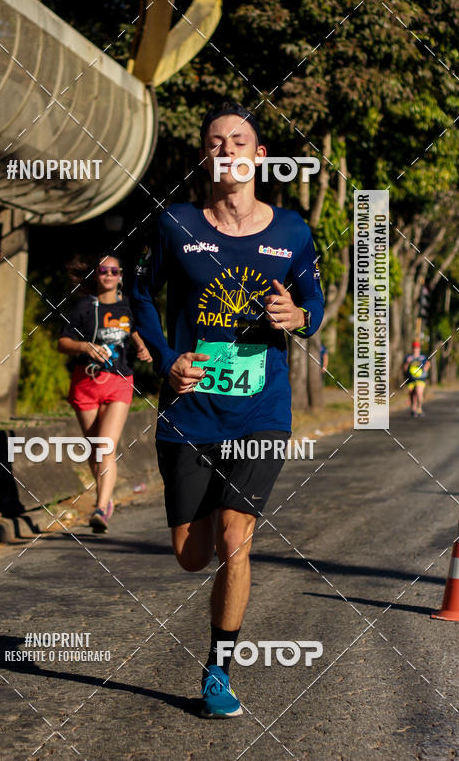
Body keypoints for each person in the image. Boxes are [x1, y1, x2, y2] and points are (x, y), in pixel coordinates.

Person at [131, 100, 324, 718]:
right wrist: (166, 359)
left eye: (238, 141)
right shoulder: (176, 224)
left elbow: (313, 300)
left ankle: (218, 670)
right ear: (205, 156)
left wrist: (299, 317)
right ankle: (211, 505)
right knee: (193, 555)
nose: (228, 151)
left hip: (261, 412)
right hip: (191, 412)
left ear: (259, 156)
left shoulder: (292, 231)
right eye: (216, 142)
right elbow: (140, 292)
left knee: (235, 539)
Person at [58, 252, 152, 532]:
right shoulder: (83, 307)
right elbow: (63, 342)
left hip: (119, 380)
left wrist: (141, 345)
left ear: (121, 276)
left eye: (114, 271)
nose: (109, 275)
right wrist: (84, 347)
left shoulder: (127, 307)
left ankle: (101, 506)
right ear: (95, 276)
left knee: (105, 445)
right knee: (93, 447)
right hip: (85, 381)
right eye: (103, 271)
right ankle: (105, 497)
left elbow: (131, 329)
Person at [402, 339, 430, 418]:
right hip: (411, 379)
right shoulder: (408, 357)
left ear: (419, 349)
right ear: (412, 348)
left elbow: (428, 364)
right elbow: (404, 368)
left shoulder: (422, 357)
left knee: (419, 392)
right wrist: (407, 362)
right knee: (412, 394)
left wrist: (425, 368)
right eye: (414, 348)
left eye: (417, 348)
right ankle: (413, 409)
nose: (415, 349)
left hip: (420, 378)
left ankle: (419, 408)